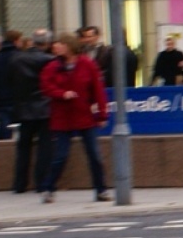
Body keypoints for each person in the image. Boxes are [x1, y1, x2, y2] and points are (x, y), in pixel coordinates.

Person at [39, 33, 110, 203]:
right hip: (62, 117)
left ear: (69, 47)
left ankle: (101, 189)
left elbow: (98, 90)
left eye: (60, 44)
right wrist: (62, 94)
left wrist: (102, 114)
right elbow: (46, 86)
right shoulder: (53, 66)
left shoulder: (87, 64)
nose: (56, 47)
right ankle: (49, 188)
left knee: (94, 155)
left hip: (84, 115)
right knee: (61, 156)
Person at [7, 29, 54, 195]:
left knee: (23, 148)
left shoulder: (16, 59)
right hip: (44, 107)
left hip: (24, 108)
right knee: (44, 148)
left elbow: (10, 83)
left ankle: (19, 183)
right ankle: (41, 183)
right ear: (47, 43)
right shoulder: (49, 60)